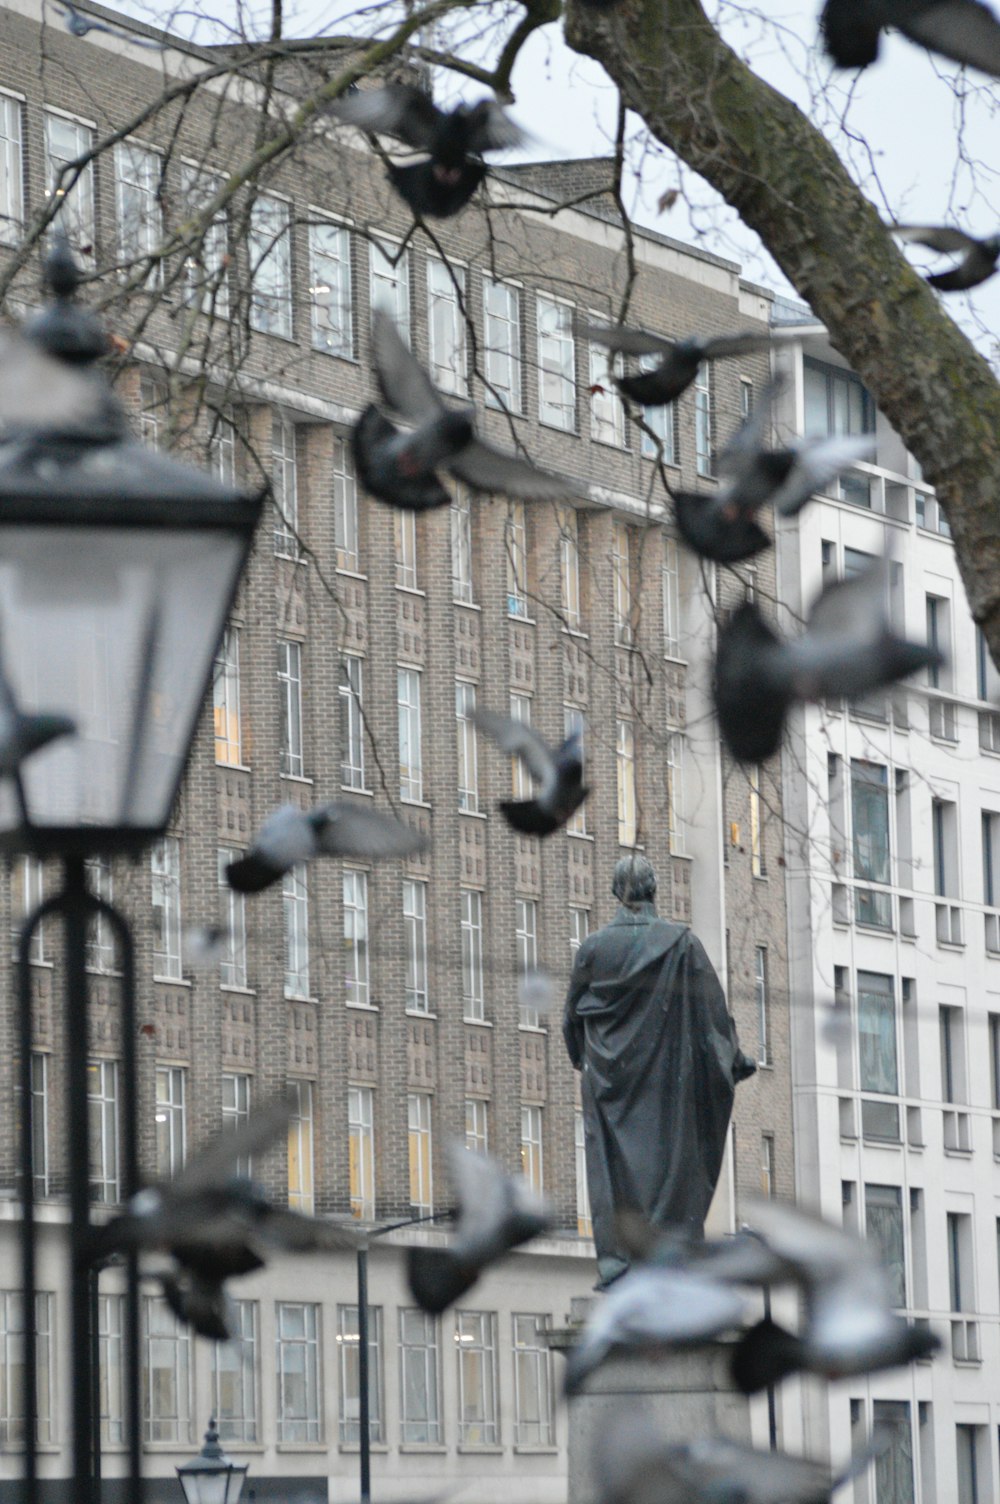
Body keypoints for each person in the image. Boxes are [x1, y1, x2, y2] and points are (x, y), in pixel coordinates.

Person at [563, 855, 755, 1287]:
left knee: (613, 1171)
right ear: (654, 890)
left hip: (607, 1086)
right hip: (668, 1090)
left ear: (616, 892)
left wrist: (589, 1061)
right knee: (671, 1171)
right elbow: (713, 1016)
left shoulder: (593, 949)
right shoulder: (682, 944)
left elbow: (570, 1021)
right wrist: (732, 1059)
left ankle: (619, 1262)